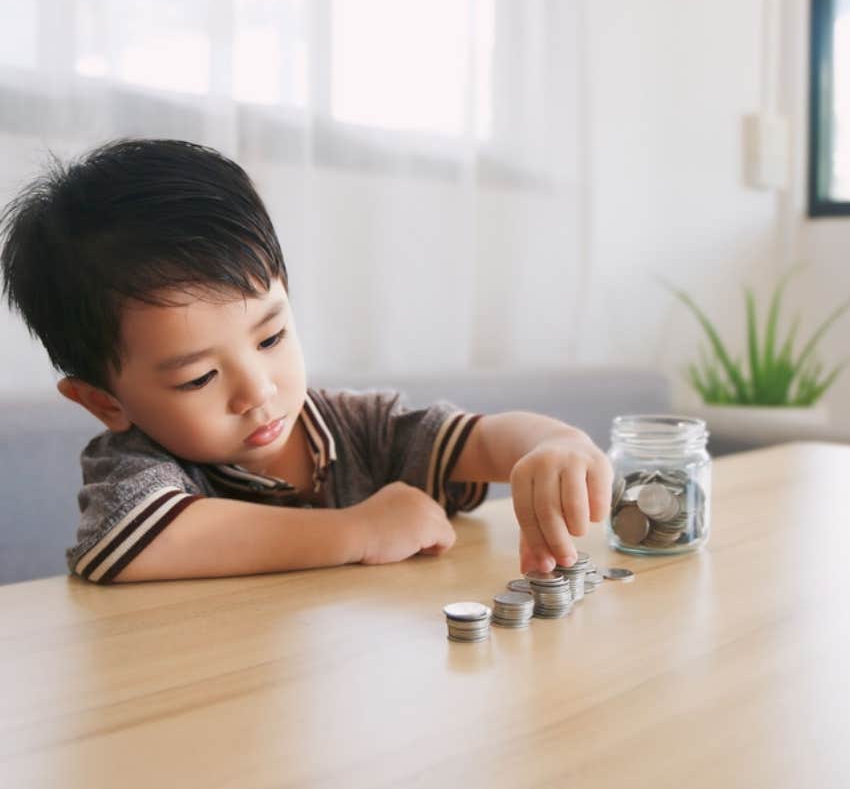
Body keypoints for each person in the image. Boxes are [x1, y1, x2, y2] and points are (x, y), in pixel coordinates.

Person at [0, 138, 612, 585]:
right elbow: (126, 543)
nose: (257, 391)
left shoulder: (358, 426)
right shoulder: (139, 465)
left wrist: (553, 443)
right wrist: (359, 532)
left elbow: (477, 439)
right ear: (105, 401)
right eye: (199, 378)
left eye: (270, 339)